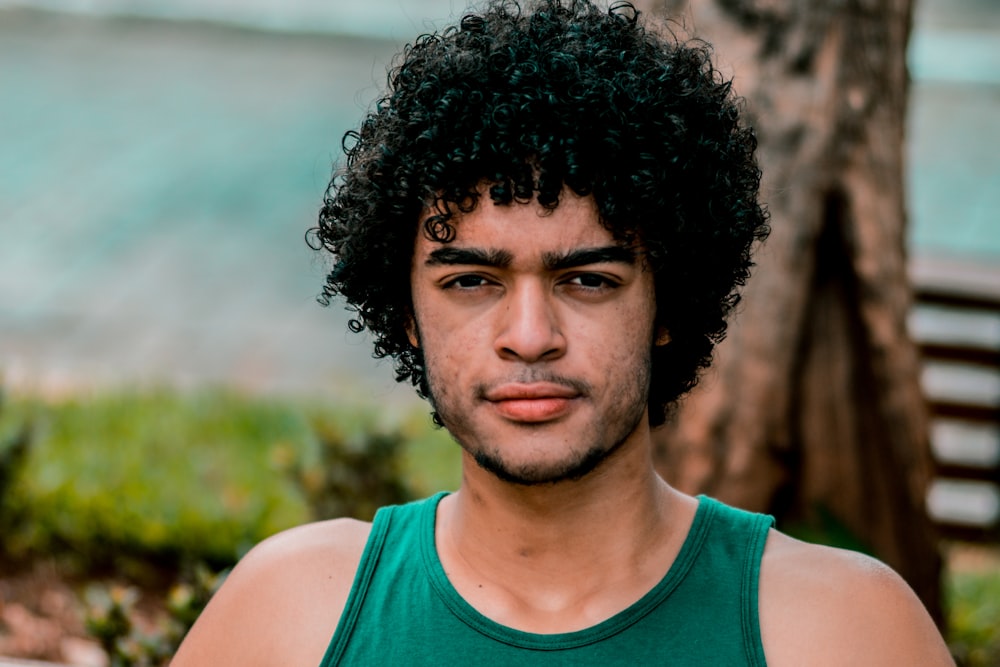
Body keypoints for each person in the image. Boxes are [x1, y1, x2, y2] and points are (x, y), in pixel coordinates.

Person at [172, 1, 953, 664]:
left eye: (588, 280)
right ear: (407, 313)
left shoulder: (842, 631)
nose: (529, 335)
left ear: (669, 304)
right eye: (471, 281)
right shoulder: (291, 616)